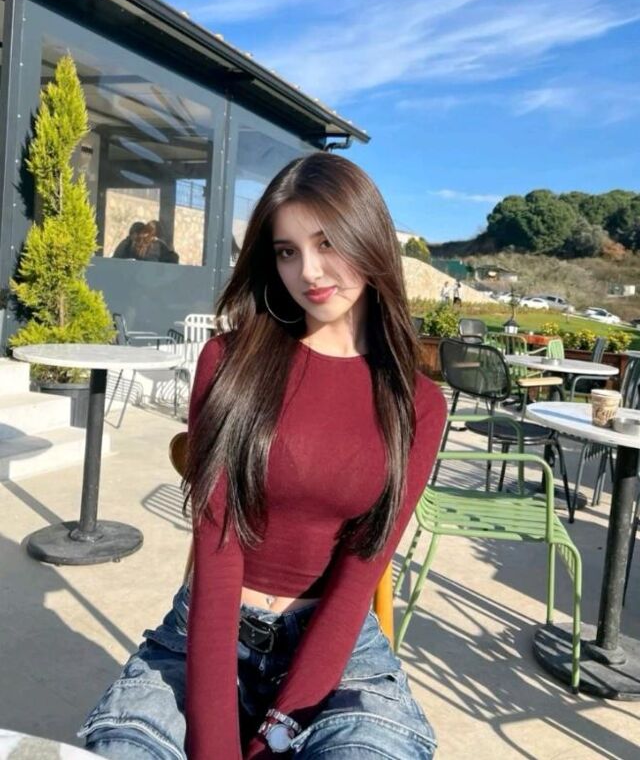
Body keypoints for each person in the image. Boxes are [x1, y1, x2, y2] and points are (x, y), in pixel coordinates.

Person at [79, 153, 446, 759]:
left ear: (370, 239)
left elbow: (359, 576)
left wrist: (275, 733)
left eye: (327, 243)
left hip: (340, 661)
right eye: (286, 251)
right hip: (201, 639)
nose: (309, 271)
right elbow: (217, 550)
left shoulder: (417, 403)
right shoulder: (229, 364)